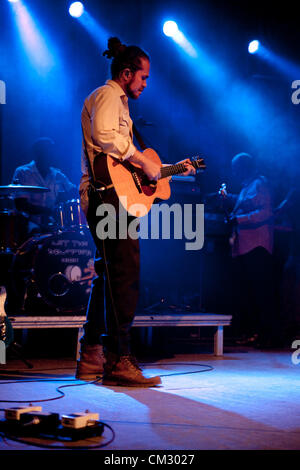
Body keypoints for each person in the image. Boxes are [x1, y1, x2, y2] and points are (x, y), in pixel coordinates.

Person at [76, 37, 195, 386]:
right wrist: (143, 159)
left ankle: (91, 356)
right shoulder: (109, 95)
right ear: (126, 73)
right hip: (105, 196)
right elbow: (105, 136)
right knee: (125, 273)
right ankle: (119, 358)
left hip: (107, 195)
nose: (146, 83)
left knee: (109, 277)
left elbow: (129, 163)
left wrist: (171, 168)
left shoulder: (119, 103)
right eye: (143, 77)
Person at [223, 152, 278, 347]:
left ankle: (268, 335)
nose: (234, 172)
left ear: (244, 167)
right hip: (247, 246)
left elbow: (266, 212)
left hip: (258, 246)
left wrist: (239, 219)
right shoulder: (249, 186)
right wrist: (227, 197)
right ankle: (256, 332)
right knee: (252, 293)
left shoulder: (259, 184)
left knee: (262, 293)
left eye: (236, 168)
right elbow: (246, 202)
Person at [12, 137, 77, 233]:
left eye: (51, 152)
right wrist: (49, 211)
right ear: (37, 153)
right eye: (46, 152)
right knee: (35, 230)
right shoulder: (23, 172)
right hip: (27, 222)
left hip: (51, 222)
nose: (50, 155)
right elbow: (21, 205)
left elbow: (73, 191)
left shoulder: (57, 174)